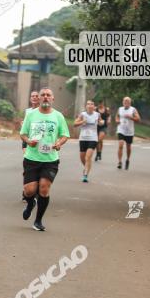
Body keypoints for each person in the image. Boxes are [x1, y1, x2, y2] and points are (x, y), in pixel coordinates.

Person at [20, 88, 69, 232]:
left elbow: (65, 135)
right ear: (38, 99)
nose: (45, 97)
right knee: (29, 191)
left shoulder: (58, 116)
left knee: (44, 188)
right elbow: (23, 134)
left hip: (50, 159)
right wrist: (28, 142)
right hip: (31, 158)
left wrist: (59, 143)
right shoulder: (31, 115)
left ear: (52, 99)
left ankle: (38, 221)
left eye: (48, 95)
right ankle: (30, 204)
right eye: (43, 95)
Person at [74, 100, 103, 182]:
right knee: (82, 157)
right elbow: (75, 124)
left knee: (88, 156)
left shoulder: (97, 114)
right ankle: (87, 166)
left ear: (94, 107)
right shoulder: (83, 114)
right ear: (86, 106)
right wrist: (82, 121)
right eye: (88, 104)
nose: (90, 105)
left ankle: (85, 174)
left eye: (92, 104)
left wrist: (101, 122)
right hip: (83, 138)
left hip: (93, 138)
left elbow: (101, 121)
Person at [116, 97, 140, 170]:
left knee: (128, 147)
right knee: (120, 144)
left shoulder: (133, 109)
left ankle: (127, 159)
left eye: (127, 101)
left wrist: (131, 117)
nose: (126, 102)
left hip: (129, 131)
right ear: (123, 102)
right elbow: (117, 116)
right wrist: (117, 120)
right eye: (125, 101)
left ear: (130, 102)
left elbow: (138, 119)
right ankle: (119, 161)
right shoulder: (120, 109)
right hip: (121, 129)